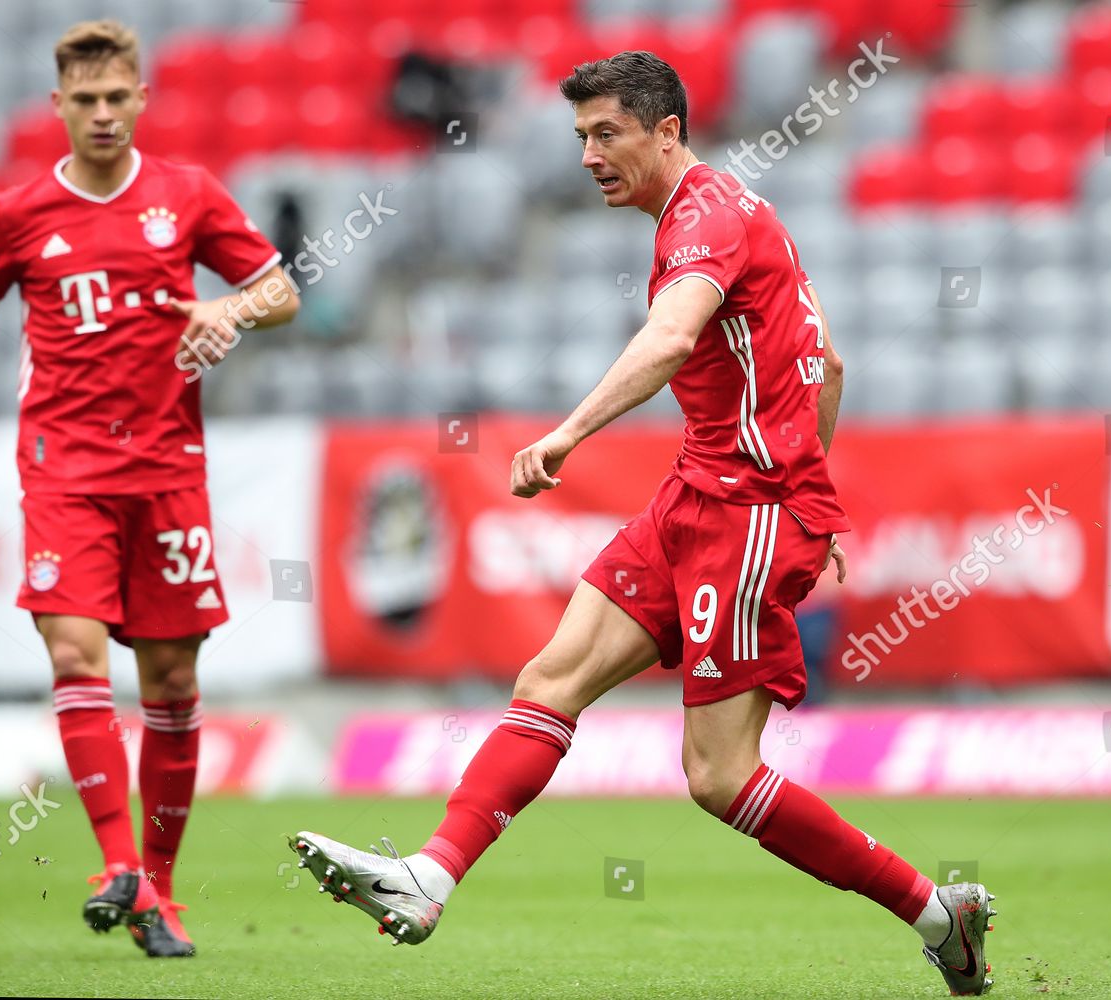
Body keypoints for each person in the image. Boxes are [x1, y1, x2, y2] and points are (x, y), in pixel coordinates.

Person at [288, 51, 995, 996]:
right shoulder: (722, 213)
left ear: (667, 131)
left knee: (719, 777)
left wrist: (569, 434)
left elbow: (668, 341)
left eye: (606, 133)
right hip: (695, 496)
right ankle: (430, 877)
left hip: (744, 513)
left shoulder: (707, 216)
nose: (587, 154)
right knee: (550, 677)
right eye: (580, 135)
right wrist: (814, 491)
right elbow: (830, 370)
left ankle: (933, 911)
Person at [0, 19, 297, 958]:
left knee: (170, 680)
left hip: (167, 471)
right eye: (81, 100)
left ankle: (158, 894)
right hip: (65, 469)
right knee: (77, 653)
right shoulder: (16, 214)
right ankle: (116, 865)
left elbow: (283, 291)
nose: (98, 113)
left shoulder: (189, 195)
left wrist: (229, 307)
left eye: (113, 97)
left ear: (140, 101)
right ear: (57, 108)